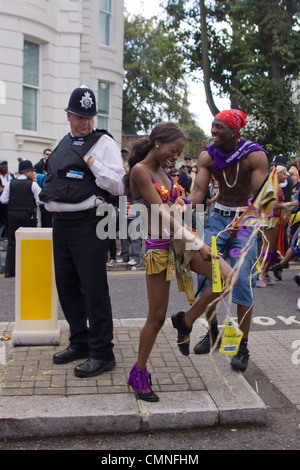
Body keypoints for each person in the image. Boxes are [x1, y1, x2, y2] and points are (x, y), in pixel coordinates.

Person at [124, 122, 235, 402]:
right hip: (159, 248)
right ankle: (138, 374)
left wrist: (200, 201)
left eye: (180, 152)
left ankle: (186, 321)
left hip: (180, 241)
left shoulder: (164, 171)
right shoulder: (141, 170)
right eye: (174, 150)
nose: (176, 156)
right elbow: (160, 212)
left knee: (226, 276)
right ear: (157, 142)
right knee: (157, 317)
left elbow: (176, 205)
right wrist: (198, 243)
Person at [39, 86, 125, 378]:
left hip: (88, 224)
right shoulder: (63, 142)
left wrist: (94, 163)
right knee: (67, 288)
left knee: (94, 289)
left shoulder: (102, 142)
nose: (84, 122)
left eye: (89, 116)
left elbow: (119, 185)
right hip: (60, 226)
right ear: (68, 115)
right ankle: (81, 341)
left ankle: (103, 352)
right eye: (79, 116)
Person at [188, 109, 269, 372]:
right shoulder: (208, 156)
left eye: (219, 127)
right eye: (212, 126)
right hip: (218, 219)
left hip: (245, 223)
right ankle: (212, 333)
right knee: (207, 277)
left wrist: (243, 221)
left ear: (234, 131)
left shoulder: (254, 155)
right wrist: (178, 209)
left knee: (243, 279)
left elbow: (260, 199)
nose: (213, 131)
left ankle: (242, 346)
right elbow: (199, 191)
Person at [0, 160, 41, 277]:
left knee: (12, 243)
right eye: (32, 171)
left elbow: (3, 200)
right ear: (27, 171)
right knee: (29, 242)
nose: (33, 173)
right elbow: (41, 199)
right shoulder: (32, 184)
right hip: (28, 215)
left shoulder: (10, 183)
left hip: (13, 215)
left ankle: (9, 270)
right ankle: (28, 269)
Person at [258, 165, 291, 286]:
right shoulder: (275, 187)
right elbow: (274, 206)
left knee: (273, 248)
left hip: (275, 220)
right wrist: (288, 204)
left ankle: (265, 272)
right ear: (277, 175)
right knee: (266, 247)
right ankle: (256, 275)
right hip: (272, 220)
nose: (286, 176)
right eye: (284, 174)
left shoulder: (275, 186)